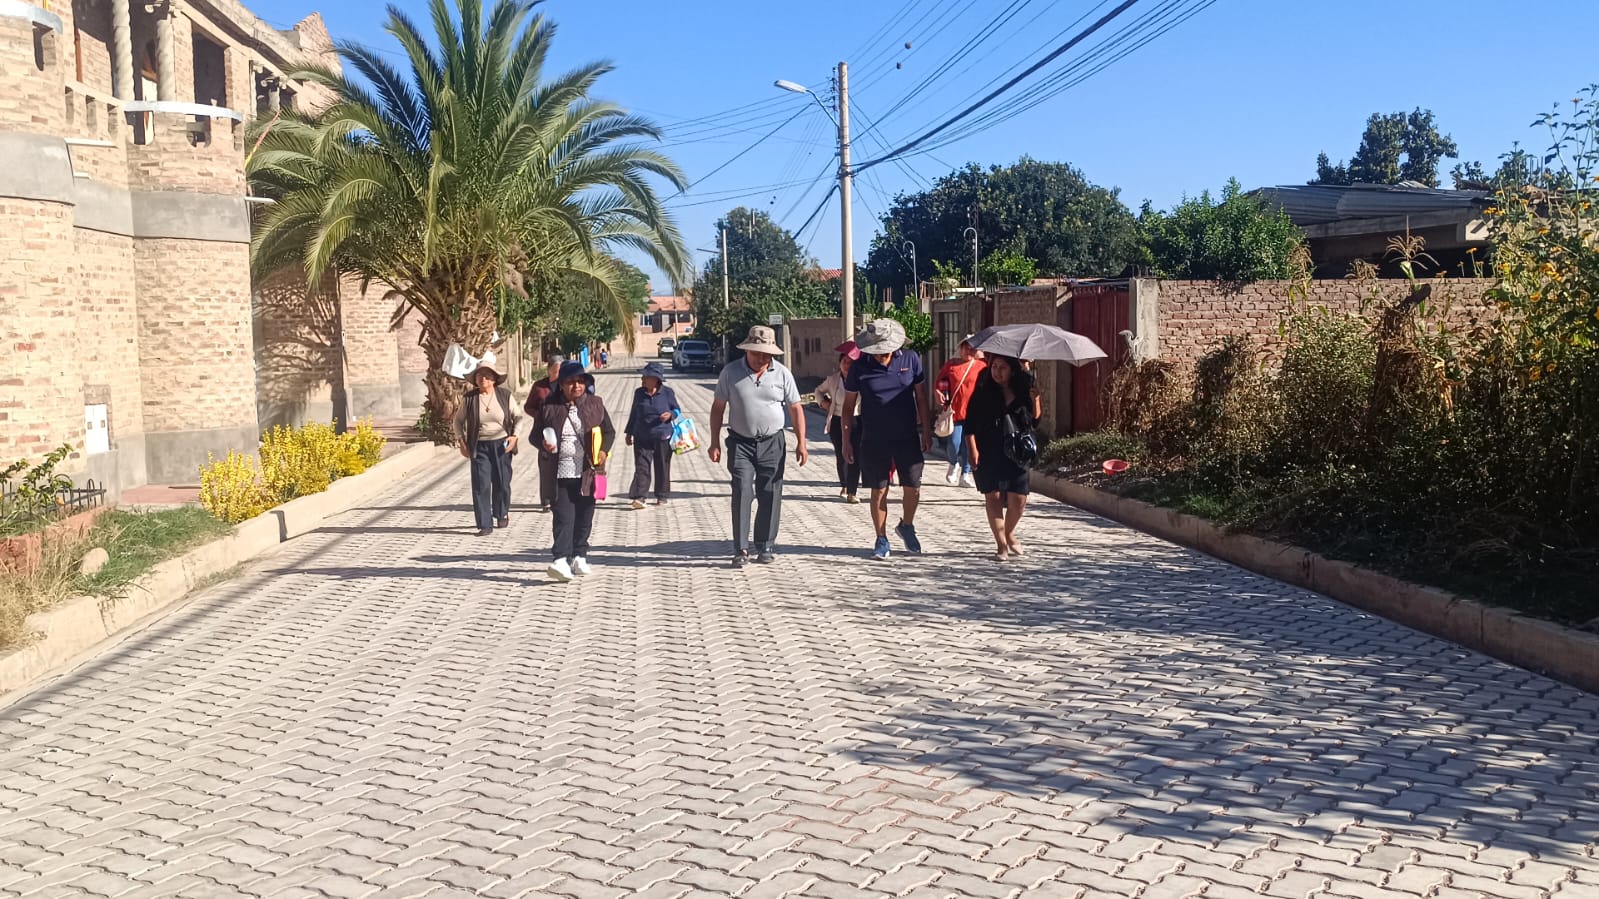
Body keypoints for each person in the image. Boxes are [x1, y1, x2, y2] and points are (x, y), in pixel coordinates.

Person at [709, 325, 807, 568]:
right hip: (740, 443)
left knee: (770, 492)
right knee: (742, 490)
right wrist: (714, 442)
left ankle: (765, 544)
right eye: (757, 353)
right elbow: (718, 408)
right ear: (747, 350)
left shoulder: (782, 374)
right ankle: (741, 548)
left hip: (773, 442)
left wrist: (802, 443)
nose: (761, 358)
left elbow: (795, 408)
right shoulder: (730, 373)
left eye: (766, 354)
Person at [842, 318, 932, 561]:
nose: (882, 356)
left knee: (913, 487)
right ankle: (881, 538)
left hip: (907, 436)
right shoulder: (859, 367)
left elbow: (921, 397)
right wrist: (846, 441)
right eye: (877, 352)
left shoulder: (911, 359)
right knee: (879, 489)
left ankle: (907, 525)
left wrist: (926, 430)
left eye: (885, 351)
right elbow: (848, 407)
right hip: (874, 437)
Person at [534, 361, 615, 581]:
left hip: (588, 472)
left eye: (580, 381)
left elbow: (609, 432)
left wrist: (604, 451)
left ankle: (580, 555)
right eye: (570, 382)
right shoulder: (549, 406)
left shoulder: (595, 404)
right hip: (560, 472)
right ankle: (560, 559)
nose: (576, 386)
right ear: (561, 385)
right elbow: (534, 435)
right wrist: (543, 444)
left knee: (585, 516)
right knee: (564, 517)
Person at [964, 354, 1036, 561]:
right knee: (993, 496)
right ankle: (1001, 544)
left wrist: (1036, 399)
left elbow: (1035, 422)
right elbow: (969, 424)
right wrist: (972, 449)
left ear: (1012, 370)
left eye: (1002, 367)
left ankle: (1009, 532)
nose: (997, 371)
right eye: (994, 366)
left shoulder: (1024, 389)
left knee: (1019, 499)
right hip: (989, 449)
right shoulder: (982, 391)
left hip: (1017, 452)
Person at [453, 354, 520, 536]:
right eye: (479, 375)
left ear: (494, 379)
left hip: (502, 444)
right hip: (479, 445)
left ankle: (501, 512)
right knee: (481, 484)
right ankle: (484, 523)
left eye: (487, 375)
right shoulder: (469, 398)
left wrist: (515, 436)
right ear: (475, 379)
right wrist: (461, 441)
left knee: (502, 482)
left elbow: (518, 417)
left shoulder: (504, 396)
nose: (483, 378)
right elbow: (458, 421)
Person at [625, 362, 680, 509]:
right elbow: (634, 413)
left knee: (662, 466)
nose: (642, 379)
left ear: (655, 379)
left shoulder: (667, 393)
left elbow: (677, 410)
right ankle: (640, 497)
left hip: (663, 436)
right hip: (641, 436)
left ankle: (662, 495)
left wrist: (670, 415)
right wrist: (629, 432)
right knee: (641, 466)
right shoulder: (639, 393)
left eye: (645, 376)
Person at [933, 336, 986, 488]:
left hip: (973, 413)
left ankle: (965, 474)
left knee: (968, 446)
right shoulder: (951, 365)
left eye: (973, 349)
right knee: (954, 443)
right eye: (967, 348)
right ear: (960, 348)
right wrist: (938, 393)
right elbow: (938, 383)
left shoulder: (981, 366)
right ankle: (953, 463)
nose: (969, 351)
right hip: (955, 412)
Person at [814, 341, 862, 504]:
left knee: (855, 456)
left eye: (851, 363)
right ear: (840, 363)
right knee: (842, 455)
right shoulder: (833, 380)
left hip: (857, 420)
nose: (847, 365)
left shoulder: (861, 379)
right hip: (837, 420)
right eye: (844, 362)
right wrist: (824, 403)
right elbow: (818, 391)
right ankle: (844, 485)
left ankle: (852, 491)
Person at [523, 356, 564, 513]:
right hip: (545, 430)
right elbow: (528, 407)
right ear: (549, 370)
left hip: (562, 428)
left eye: (560, 371)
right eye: (555, 371)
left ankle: (560, 497)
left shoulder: (566, 386)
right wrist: (540, 415)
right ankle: (546, 499)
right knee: (546, 465)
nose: (557, 375)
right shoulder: (540, 387)